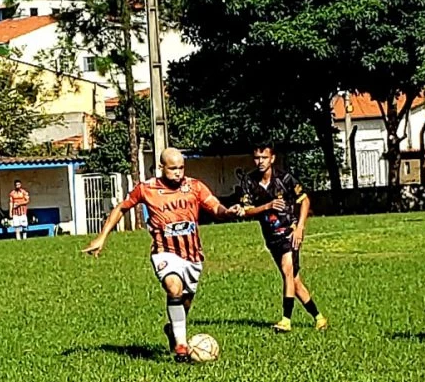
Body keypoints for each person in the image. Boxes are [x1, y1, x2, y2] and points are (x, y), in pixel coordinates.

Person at [83, 148, 243, 362]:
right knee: (173, 288)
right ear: (162, 167)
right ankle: (182, 348)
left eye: (181, 168)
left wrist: (228, 212)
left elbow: (215, 208)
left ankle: (173, 330)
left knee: (184, 304)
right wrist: (102, 237)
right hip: (164, 252)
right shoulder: (147, 189)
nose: (178, 172)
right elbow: (121, 208)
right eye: (173, 168)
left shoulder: (194, 186)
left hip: (192, 255)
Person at [239, 143, 328, 333]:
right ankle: (319, 318)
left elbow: (304, 200)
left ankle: (286, 320)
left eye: (264, 158)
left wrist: (300, 227)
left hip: (290, 232)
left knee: (288, 271)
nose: (260, 162)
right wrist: (267, 206)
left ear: (272, 159)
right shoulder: (249, 181)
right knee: (294, 281)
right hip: (271, 237)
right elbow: (246, 211)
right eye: (257, 158)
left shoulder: (285, 179)